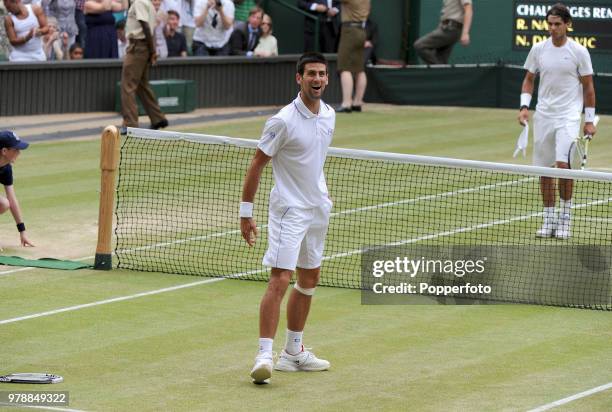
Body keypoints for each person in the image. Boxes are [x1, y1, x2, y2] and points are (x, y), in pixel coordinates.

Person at [241, 52, 334, 384]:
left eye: (322, 74)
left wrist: (321, 193)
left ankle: (293, 353)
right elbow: (256, 164)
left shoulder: (329, 115)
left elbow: (314, 162)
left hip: (317, 210)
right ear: (299, 78)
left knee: (308, 281)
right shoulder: (282, 121)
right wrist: (245, 214)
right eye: (311, 74)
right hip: (288, 211)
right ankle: (264, 354)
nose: (318, 79)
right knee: (280, 279)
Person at [518, 3, 596, 240]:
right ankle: (549, 218)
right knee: (544, 171)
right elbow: (529, 79)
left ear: (567, 24)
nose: (552, 28)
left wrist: (589, 120)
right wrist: (524, 107)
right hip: (544, 116)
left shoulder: (579, 52)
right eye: (549, 24)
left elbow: (588, 87)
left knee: (563, 166)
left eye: (557, 24)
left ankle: (565, 219)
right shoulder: (538, 49)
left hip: (569, 116)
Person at [120, 0, 168, 129]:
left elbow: (145, 26)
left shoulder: (140, 2)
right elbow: (148, 28)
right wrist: (151, 50)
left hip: (137, 46)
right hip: (143, 46)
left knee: (127, 85)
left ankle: (130, 124)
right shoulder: (147, 3)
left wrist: (152, 51)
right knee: (142, 85)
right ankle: (158, 118)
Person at [0, 131, 35, 248]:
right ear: (4, 151)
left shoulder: (6, 168)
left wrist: (22, 231)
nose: (19, 153)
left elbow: (12, 199)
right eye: (16, 149)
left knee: (4, 203)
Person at [413, 0, 472, 65]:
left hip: (451, 29)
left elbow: (468, 9)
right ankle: (441, 70)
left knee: (420, 45)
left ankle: (439, 69)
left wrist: (465, 33)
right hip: (447, 28)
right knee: (441, 59)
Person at [335, 0, 369, 113]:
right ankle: (357, 102)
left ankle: (346, 103)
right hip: (362, 30)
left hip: (350, 30)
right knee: (359, 68)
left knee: (344, 67)